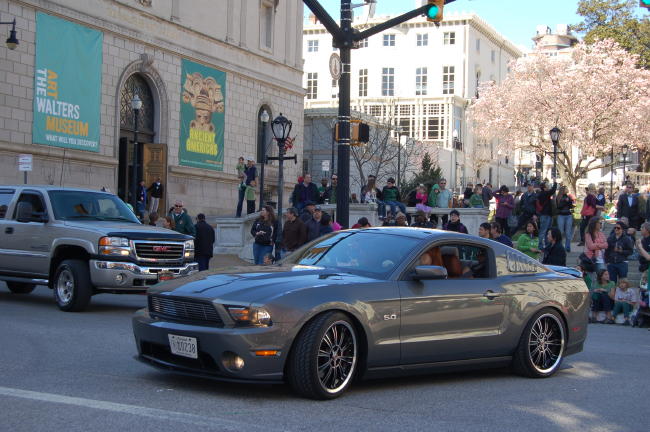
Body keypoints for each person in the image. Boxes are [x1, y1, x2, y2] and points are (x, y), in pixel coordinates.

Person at [535, 181, 557, 249]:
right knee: (543, 231)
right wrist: (555, 183)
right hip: (545, 215)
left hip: (547, 214)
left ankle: (547, 245)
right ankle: (540, 246)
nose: (548, 186)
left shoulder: (543, 193)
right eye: (547, 185)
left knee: (547, 231)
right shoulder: (544, 193)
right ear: (544, 188)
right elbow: (552, 190)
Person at [555, 185, 575, 252]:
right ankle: (560, 247)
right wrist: (565, 202)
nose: (567, 190)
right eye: (566, 189)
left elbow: (570, 206)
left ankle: (567, 247)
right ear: (563, 190)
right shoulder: (558, 197)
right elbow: (558, 206)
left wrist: (570, 202)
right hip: (561, 215)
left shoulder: (568, 197)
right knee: (561, 232)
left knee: (568, 232)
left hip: (568, 215)